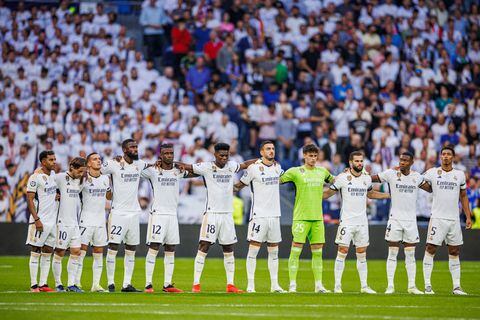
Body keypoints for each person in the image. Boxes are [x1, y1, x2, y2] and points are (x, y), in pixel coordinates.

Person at [177, 143, 255, 293]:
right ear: (215, 155)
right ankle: (196, 284)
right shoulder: (206, 167)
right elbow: (188, 166)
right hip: (211, 214)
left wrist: (262, 160)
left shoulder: (231, 166)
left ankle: (231, 285)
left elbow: (245, 164)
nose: (224, 158)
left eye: (226, 155)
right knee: (204, 246)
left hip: (227, 215)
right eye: (221, 155)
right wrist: (172, 164)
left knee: (228, 248)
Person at [323, 151, 390, 294]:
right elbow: (329, 193)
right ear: (350, 163)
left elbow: (371, 194)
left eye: (361, 161)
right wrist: (313, 195)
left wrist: (388, 195)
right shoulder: (342, 177)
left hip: (362, 222)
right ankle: (337, 286)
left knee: (362, 253)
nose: (359, 163)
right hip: (346, 221)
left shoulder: (366, 178)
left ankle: (364, 286)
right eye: (357, 161)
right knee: (342, 252)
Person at [371, 152, 429, 294]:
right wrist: (355, 173)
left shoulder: (417, 177)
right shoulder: (391, 173)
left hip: (410, 221)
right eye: (401, 160)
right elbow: (372, 178)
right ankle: (390, 286)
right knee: (392, 253)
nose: (402, 162)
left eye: (405, 160)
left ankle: (412, 286)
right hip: (395, 219)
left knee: (410, 255)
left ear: (411, 162)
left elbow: (431, 188)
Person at [279, 144, 334, 293]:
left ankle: (318, 285)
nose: (313, 159)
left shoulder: (322, 172)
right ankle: (292, 285)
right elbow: (278, 180)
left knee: (318, 253)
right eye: (310, 155)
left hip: (317, 218)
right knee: (295, 252)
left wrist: (332, 190)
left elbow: (337, 182)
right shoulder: (295, 172)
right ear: (304, 156)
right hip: (301, 218)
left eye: (315, 156)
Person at [141, 143, 194, 293]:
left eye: (171, 153)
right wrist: (152, 163)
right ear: (161, 155)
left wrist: (180, 164)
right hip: (158, 214)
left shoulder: (178, 171)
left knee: (171, 248)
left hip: (172, 215)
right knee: (154, 247)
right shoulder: (153, 171)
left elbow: (196, 173)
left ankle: (167, 284)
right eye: (166, 153)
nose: (169, 155)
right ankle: (148, 284)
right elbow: (136, 169)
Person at [234, 141, 285, 293]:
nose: (271, 151)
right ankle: (251, 285)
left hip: (275, 215)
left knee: (274, 251)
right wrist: (226, 190)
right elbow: (239, 185)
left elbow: (286, 179)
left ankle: (275, 285)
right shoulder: (253, 168)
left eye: (273, 149)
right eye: (268, 149)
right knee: (253, 250)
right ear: (261, 152)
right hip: (259, 215)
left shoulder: (278, 167)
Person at [422, 145, 472, 295]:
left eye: (448, 154)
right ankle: (427, 285)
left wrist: (468, 216)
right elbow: (417, 180)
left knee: (455, 251)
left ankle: (456, 287)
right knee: (431, 248)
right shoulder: (432, 172)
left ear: (453, 157)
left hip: (454, 219)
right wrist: (427, 188)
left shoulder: (460, 175)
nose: (445, 156)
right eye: (443, 154)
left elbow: (463, 196)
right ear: (440, 156)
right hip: (437, 218)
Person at [100, 139, 148, 292]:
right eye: (132, 147)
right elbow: (97, 172)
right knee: (113, 246)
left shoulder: (139, 164)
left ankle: (126, 284)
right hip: (118, 212)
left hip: (134, 212)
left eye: (136, 146)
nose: (135, 149)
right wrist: (107, 188)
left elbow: (156, 166)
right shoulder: (113, 163)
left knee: (131, 248)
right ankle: (111, 283)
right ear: (124, 150)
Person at [75, 152, 112, 292]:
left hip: (100, 220)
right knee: (81, 252)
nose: (98, 161)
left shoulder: (105, 178)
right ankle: (76, 283)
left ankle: (95, 285)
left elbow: (109, 196)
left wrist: (110, 185)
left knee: (98, 251)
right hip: (86, 219)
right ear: (88, 163)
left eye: (99, 159)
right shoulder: (83, 178)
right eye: (95, 159)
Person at [51, 157, 87, 292]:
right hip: (62, 222)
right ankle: (58, 283)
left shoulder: (81, 180)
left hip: (74, 223)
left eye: (83, 171)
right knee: (59, 252)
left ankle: (71, 284)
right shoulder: (60, 178)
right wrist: (54, 194)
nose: (81, 174)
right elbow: (46, 183)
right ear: (71, 167)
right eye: (80, 171)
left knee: (76, 252)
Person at [26, 150, 58, 292]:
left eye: (54, 159)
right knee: (35, 250)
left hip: (52, 221)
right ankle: (34, 285)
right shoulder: (35, 177)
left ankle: (43, 284)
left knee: (48, 251)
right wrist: (37, 219)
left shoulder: (53, 176)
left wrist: (56, 197)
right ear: (43, 162)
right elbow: (30, 199)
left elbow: (50, 194)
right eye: (51, 160)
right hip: (40, 220)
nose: (54, 162)